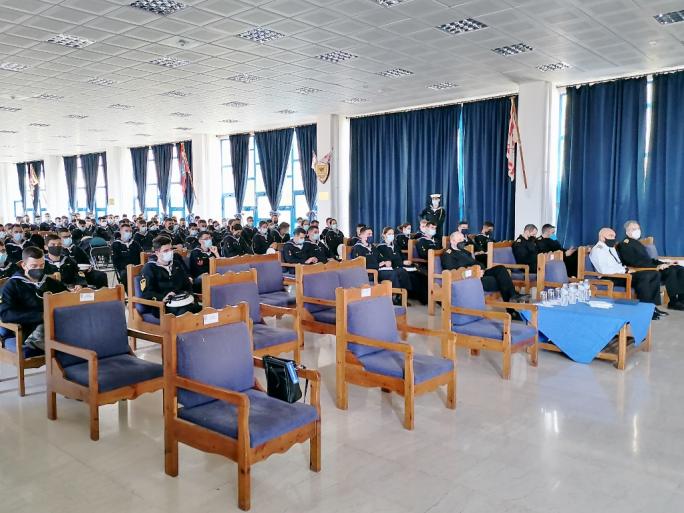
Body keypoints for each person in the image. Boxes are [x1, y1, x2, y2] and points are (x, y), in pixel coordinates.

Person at [0, 246, 68, 351]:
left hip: (55, 324)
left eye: (42, 265)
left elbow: (67, 297)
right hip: (28, 329)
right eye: (34, 266)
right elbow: (5, 314)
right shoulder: (11, 285)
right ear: (24, 265)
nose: (38, 269)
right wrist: (41, 316)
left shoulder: (49, 282)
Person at [591, 228, 665, 318]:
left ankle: (652, 307)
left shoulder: (610, 248)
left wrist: (626, 269)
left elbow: (617, 264)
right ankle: (644, 310)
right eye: (610, 236)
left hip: (620, 274)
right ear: (602, 237)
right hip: (609, 277)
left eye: (614, 236)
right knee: (645, 277)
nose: (613, 238)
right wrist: (625, 271)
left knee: (654, 273)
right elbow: (604, 270)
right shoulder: (598, 250)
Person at [617, 220, 684, 311]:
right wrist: (656, 267)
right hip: (645, 270)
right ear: (627, 232)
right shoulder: (625, 244)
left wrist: (665, 263)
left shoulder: (637, 243)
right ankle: (673, 301)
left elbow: (649, 260)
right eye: (634, 229)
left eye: (638, 228)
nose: (637, 230)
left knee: (679, 268)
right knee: (671, 271)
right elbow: (634, 263)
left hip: (651, 267)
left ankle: (681, 299)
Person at [442, 231, 525, 303]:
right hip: (468, 278)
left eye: (463, 239)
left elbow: (476, 262)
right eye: (459, 240)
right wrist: (474, 272)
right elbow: (453, 272)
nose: (462, 241)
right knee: (502, 281)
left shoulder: (465, 252)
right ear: (452, 241)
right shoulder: (448, 254)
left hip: (479, 273)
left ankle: (513, 295)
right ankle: (511, 303)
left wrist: (481, 269)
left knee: (501, 269)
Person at [140, 236, 200, 316]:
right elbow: (147, 293)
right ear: (157, 253)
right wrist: (163, 297)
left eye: (171, 249)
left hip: (181, 300)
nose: (170, 252)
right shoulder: (149, 268)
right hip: (163, 305)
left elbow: (187, 284)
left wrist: (190, 296)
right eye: (166, 251)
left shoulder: (176, 264)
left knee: (201, 309)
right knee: (185, 313)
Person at [374, 227, 412, 295]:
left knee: (414, 273)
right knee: (402, 272)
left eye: (392, 234)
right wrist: (402, 263)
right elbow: (388, 261)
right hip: (390, 268)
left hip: (400, 266)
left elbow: (402, 256)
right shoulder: (381, 247)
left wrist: (406, 261)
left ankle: (410, 294)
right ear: (384, 235)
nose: (391, 235)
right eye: (389, 234)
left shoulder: (396, 246)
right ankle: (400, 294)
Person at [112, 223, 142, 292]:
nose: (129, 233)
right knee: (124, 275)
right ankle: (130, 294)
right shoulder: (116, 244)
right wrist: (125, 266)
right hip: (123, 268)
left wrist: (138, 265)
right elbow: (116, 260)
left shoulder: (135, 243)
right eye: (126, 231)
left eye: (130, 231)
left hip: (137, 266)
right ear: (120, 232)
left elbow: (141, 255)